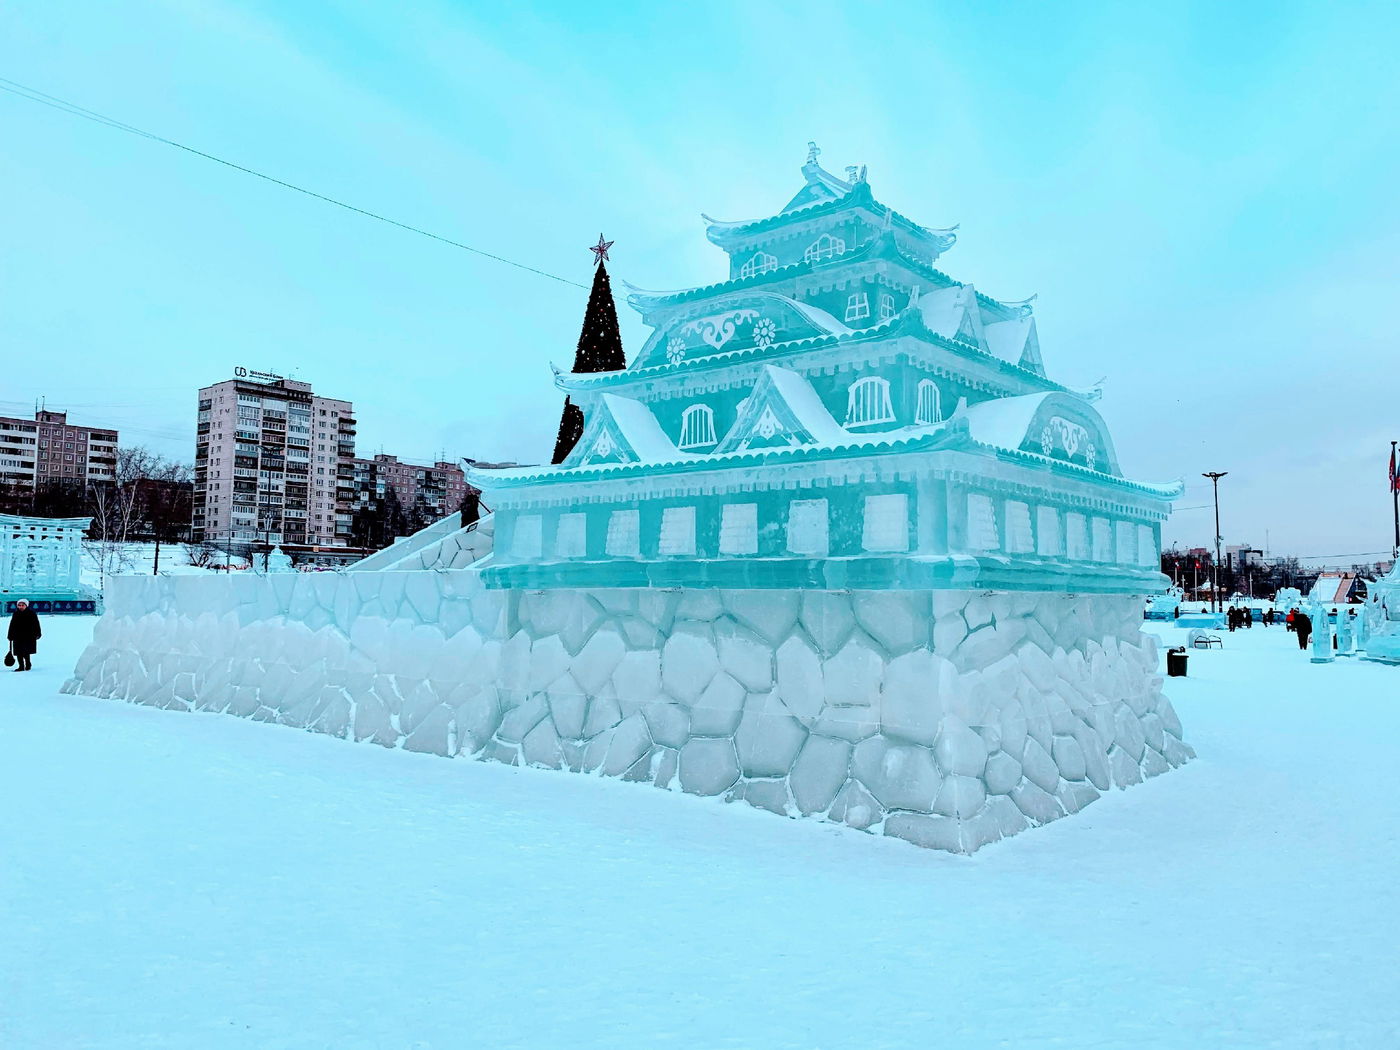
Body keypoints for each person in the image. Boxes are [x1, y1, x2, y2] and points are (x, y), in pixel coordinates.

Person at [7, 599, 41, 671]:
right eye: (19, 605)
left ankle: (28, 664)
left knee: (26, 652)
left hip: (28, 636)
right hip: (17, 636)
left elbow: (36, 624)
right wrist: (10, 635)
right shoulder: (16, 614)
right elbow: (12, 625)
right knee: (18, 652)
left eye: (22, 605)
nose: (21, 607)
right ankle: (21, 666)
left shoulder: (31, 613)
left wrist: (38, 633)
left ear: (26, 605)